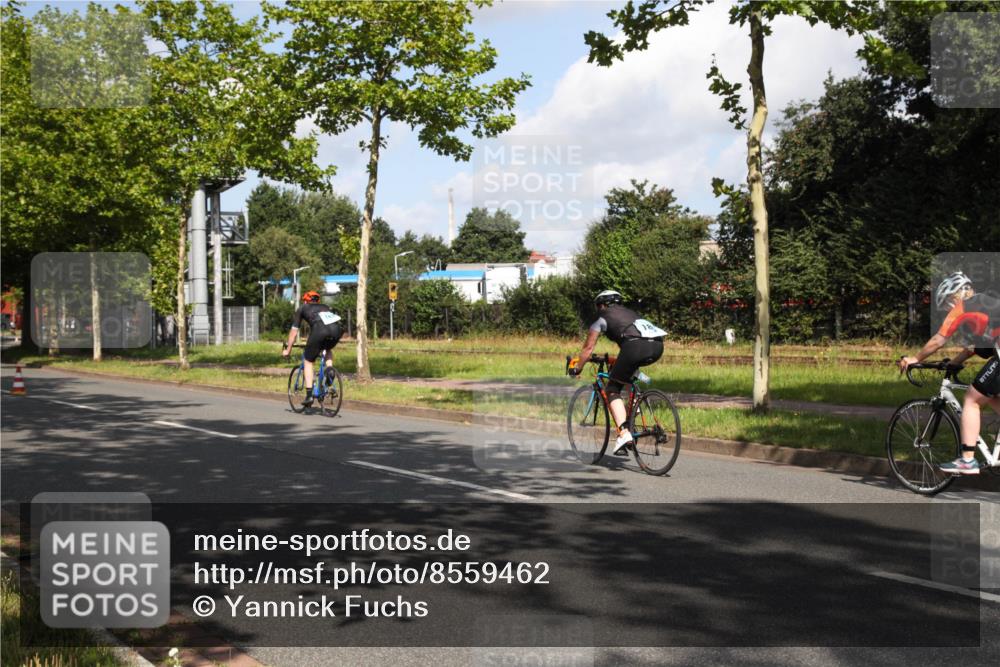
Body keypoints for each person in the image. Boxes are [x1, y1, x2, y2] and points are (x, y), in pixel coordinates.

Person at [899, 272, 997, 474]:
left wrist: (916, 359)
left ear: (955, 296)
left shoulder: (964, 306)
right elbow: (974, 348)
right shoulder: (985, 306)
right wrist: (952, 364)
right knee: (991, 397)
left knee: (972, 398)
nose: (947, 310)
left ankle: (967, 460)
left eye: (946, 304)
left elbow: (939, 339)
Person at [569, 290, 666, 456]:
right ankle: (635, 408)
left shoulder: (601, 318)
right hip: (657, 346)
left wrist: (577, 368)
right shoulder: (631, 314)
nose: (599, 309)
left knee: (612, 389)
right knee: (627, 377)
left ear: (602, 305)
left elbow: (588, 348)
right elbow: (629, 344)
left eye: (599, 306)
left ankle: (624, 433)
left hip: (635, 347)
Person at [282, 290, 343, 407]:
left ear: (305, 300)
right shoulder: (325, 307)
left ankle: (309, 396)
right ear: (317, 300)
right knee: (327, 349)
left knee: (308, 361)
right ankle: (330, 371)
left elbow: (293, 332)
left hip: (319, 332)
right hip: (336, 331)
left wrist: (288, 349)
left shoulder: (303, 308)